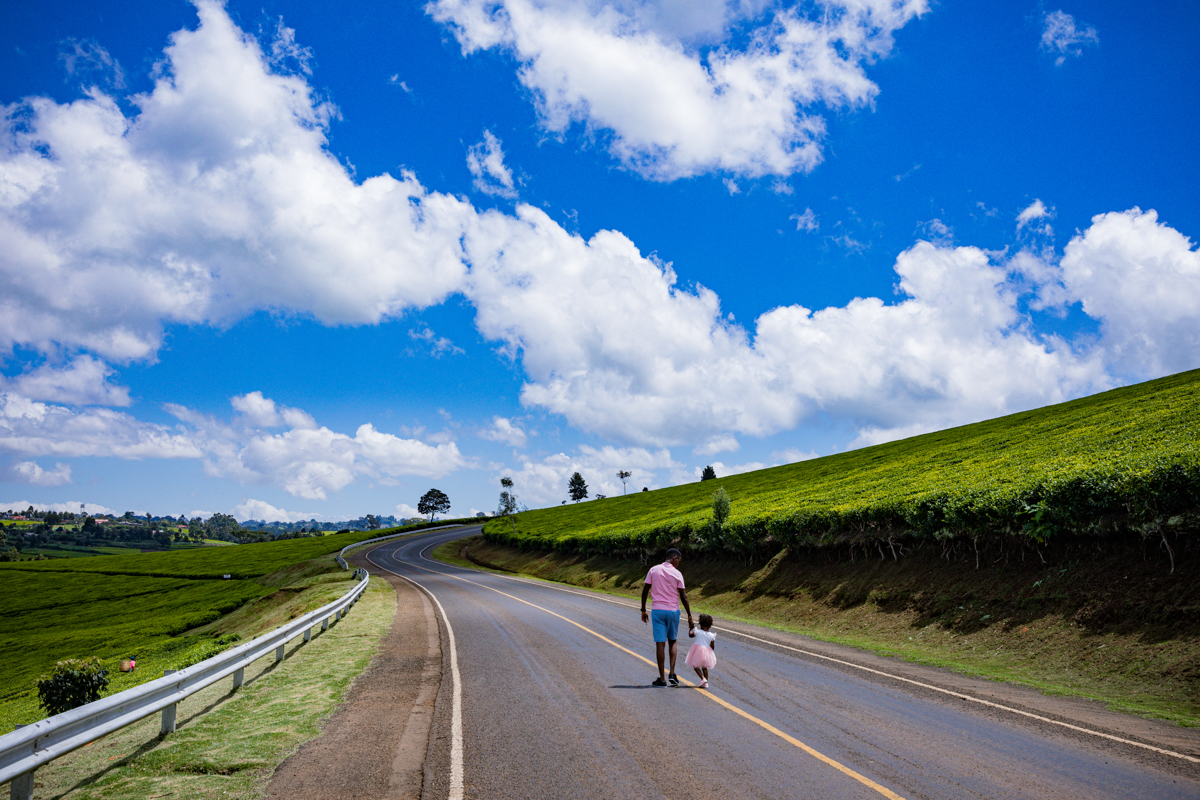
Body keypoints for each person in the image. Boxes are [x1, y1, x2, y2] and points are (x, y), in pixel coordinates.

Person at [640, 547, 693, 686]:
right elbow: (684, 596)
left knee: (660, 643)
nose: (678, 563)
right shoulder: (677, 573)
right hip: (673, 611)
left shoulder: (653, 570)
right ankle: (673, 673)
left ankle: (662, 678)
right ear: (674, 558)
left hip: (658, 610)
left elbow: (645, 591)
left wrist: (643, 609)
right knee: (673, 641)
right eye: (678, 560)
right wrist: (689, 616)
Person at [685, 613, 717, 689]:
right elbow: (712, 646)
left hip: (697, 653)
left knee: (696, 666)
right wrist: (710, 653)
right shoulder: (711, 635)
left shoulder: (697, 632)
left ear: (700, 624)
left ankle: (703, 679)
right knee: (704, 667)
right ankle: (706, 683)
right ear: (710, 625)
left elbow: (690, 635)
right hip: (707, 654)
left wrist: (691, 628)